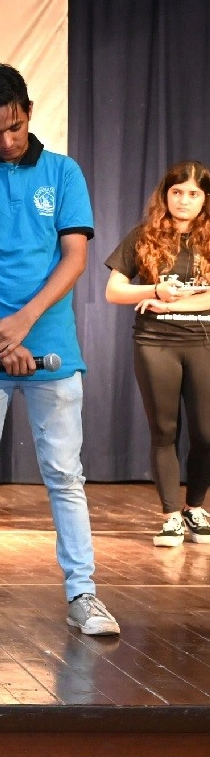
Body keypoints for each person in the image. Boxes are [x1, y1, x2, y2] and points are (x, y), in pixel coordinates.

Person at [0, 63, 119, 636]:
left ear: (29, 112)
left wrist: (23, 323)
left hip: (53, 348)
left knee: (65, 475)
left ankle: (83, 594)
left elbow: (75, 258)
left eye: (15, 127)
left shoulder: (64, 173)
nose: (8, 140)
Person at [104, 161, 210, 547]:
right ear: (165, 195)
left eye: (194, 193)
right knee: (164, 430)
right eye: (177, 192)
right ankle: (171, 516)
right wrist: (154, 292)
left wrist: (174, 303)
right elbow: (114, 291)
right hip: (155, 342)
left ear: (205, 199)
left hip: (202, 341)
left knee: (206, 433)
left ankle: (195, 507)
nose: (184, 200)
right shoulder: (143, 235)